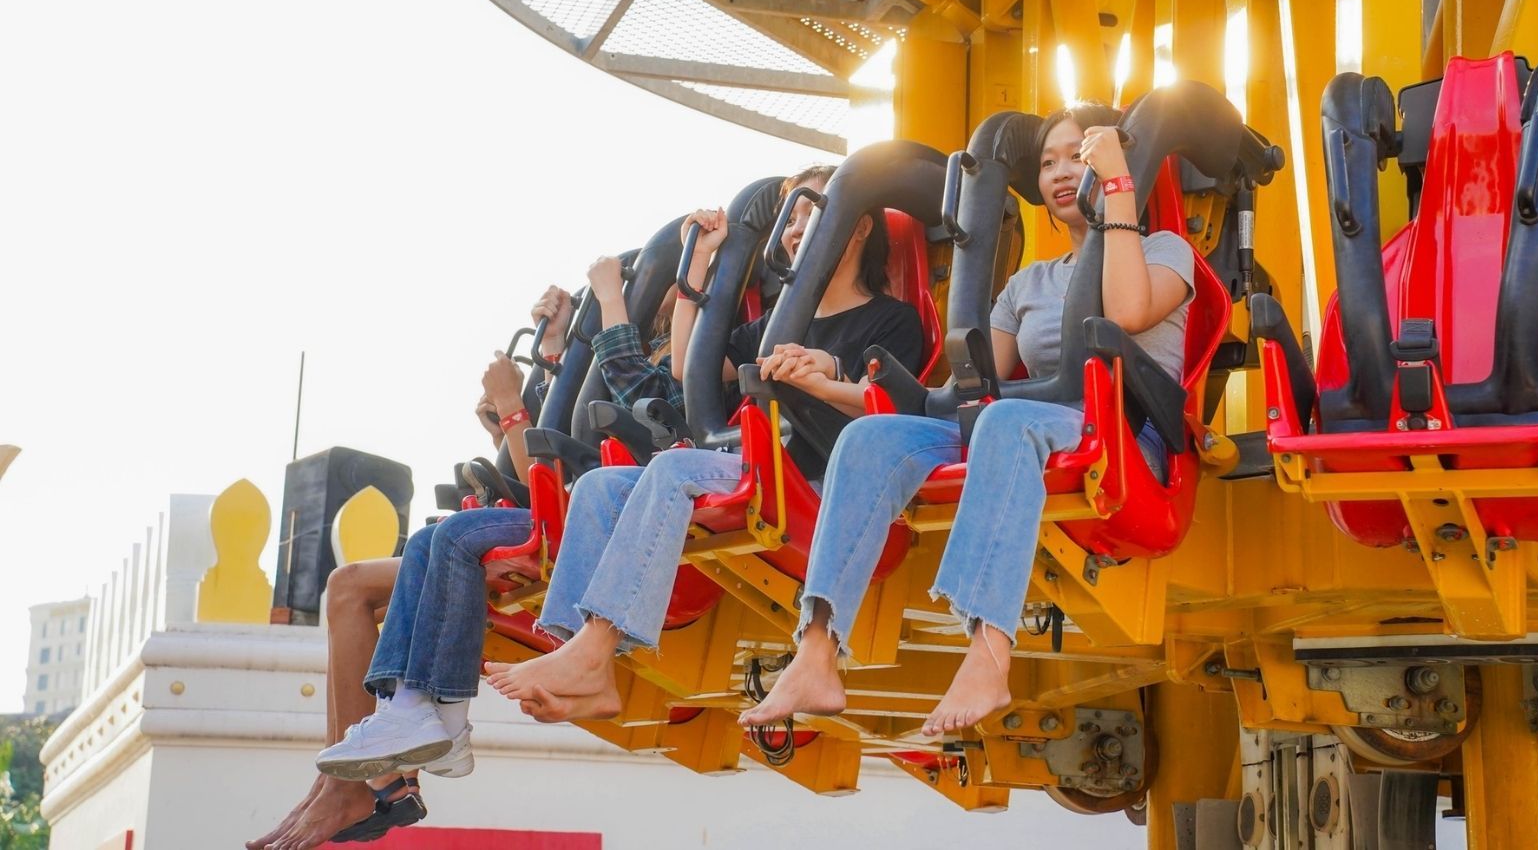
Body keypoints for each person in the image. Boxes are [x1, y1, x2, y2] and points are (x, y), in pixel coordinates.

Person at [737, 105, 1194, 738]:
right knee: (871, 437)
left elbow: (1127, 309)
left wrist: (1117, 185)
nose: (1063, 172)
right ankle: (817, 647)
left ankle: (988, 652)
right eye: (1047, 163)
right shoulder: (1027, 285)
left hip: (1117, 433)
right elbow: (958, 400)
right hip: (1024, 425)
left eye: (1078, 156)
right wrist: (834, 379)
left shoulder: (1167, 251)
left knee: (1006, 422)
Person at [481, 166, 925, 723]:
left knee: (674, 471)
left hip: (819, 484)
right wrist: (697, 265)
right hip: (751, 467)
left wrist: (825, 377)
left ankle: (592, 657)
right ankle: (578, 662)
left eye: (808, 213)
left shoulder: (891, 319)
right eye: (789, 218)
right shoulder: (778, 324)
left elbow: (895, 410)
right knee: (598, 487)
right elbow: (693, 370)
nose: (792, 230)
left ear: (857, 228)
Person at [308, 245, 687, 784]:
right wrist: (548, 351)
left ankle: (440, 720)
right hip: (569, 501)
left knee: (457, 539)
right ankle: (414, 711)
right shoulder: (619, 356)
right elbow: (553, 442)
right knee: (427, 541)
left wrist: (515, 409)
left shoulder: (670, 358)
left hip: (592, 508)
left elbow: (556, 458)